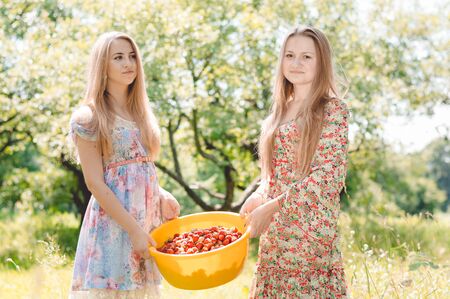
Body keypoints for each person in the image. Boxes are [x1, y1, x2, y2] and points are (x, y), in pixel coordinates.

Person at [68, 32, 180, 299]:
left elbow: (139, 170)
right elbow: (95, 182)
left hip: (146, 221)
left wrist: (162, 193)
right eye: (118, 57)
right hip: (115, 226)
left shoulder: (140, 112)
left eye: (132, 56)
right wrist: (134, 230)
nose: (128, 63)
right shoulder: (89, 117)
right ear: (102, 66)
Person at [240, 26, 349, 298]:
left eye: (306, 57)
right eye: (289, 55)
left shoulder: (332, 109)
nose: (296, 63)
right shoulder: (278, 112)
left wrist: (272, 206)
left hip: (310, 234)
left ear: (321, 61)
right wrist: (258, 196)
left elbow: (328, 177)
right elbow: (275, 174)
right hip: (276, 235)